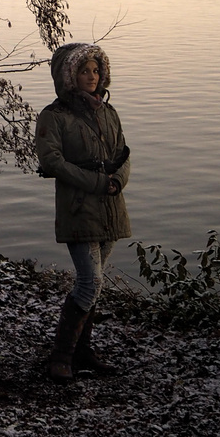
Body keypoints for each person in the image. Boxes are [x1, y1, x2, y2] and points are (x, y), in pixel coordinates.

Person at [34, 42, 131, 382]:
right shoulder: (53, 116)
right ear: (69, 76)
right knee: (91, 282)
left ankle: (83, 352)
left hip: (110, 208)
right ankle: (61, 357)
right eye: (84, 71)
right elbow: (51, 161)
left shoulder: (109, 112)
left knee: (96, 284)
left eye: (95, 70)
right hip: (79, 207)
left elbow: (123, 154)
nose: (92, 77)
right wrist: (95, 182)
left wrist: (116, 182)